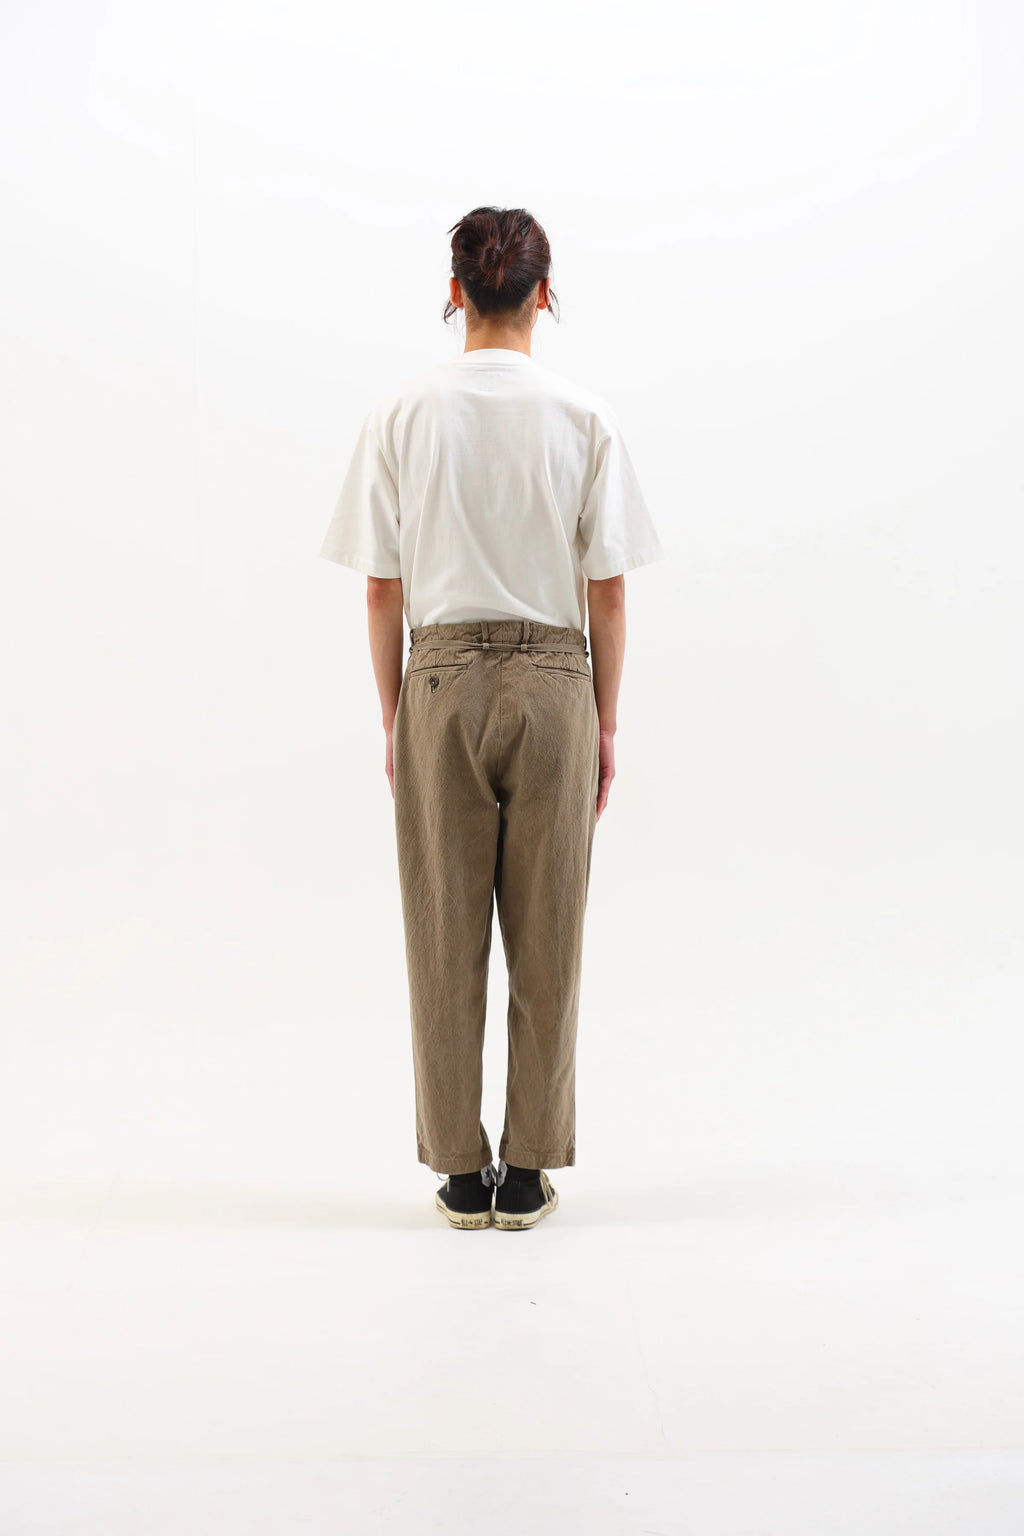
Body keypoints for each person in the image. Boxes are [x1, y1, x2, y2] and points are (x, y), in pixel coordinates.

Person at [319, 205, 665, 1231]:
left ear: (456, 292)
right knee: (548, 932)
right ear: (544, 294)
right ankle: (528, 1173)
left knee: (443, 933)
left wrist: (397, 717)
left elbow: (381, 588)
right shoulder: (584, 417)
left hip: (439, 678)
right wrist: (605, 724)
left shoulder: (401, 414)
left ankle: (460, 1176)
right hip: (557, 681)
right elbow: (608, 590)